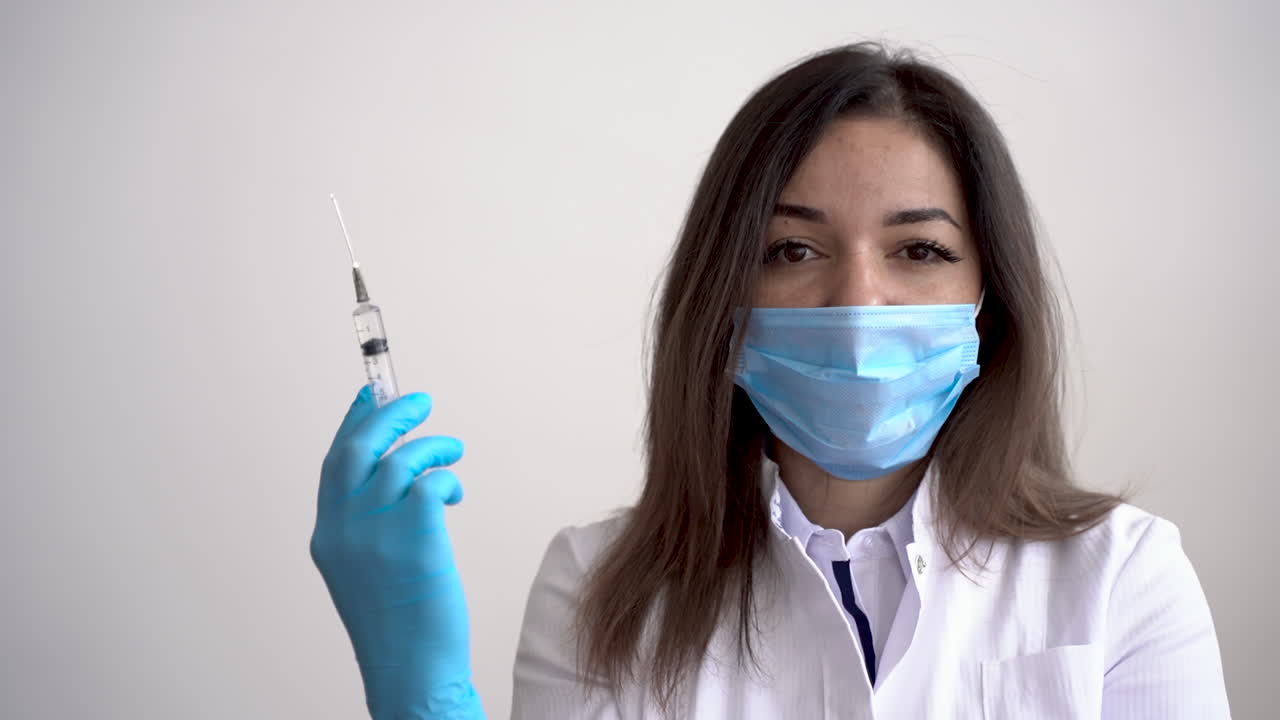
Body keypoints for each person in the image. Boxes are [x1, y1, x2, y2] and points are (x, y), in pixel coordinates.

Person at [310, 42, 1232, 719]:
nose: (858, 301)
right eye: (792, 249)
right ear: (725, 298)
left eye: (920, 249)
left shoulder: (1124, 578)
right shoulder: (599, 593)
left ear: (990, 298)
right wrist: (420, 689)